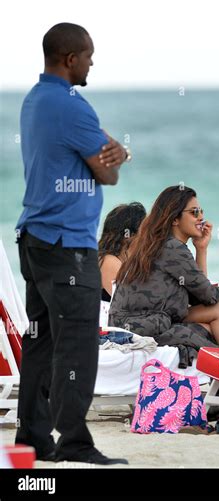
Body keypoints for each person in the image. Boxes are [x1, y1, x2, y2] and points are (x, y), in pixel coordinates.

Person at [15, 23, 130, 465]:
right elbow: (108, 172)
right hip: (67, 243)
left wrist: (107, 155)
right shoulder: (73, 107)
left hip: (35, 240)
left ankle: (33, 438)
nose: (91, 62)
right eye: (88, 55)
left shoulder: (33, 100)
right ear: (70, 59)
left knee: (41, 339)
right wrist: (113, 156)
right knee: (77, 342)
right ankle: (75, 442)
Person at [108, 186, 219, 368]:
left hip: (143, 321)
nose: (201, 217)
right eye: (194, 212)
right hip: (143, 326)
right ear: (175, 219)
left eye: (201, 211)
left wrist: (201, 249)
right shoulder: (172, 248)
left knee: (217, 315)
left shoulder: (157, 244)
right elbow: (209, 295)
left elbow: (200, 295)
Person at [98, 202, 146, 301]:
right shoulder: (109, 261)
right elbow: (130, 301)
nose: (148, 237)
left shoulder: (126, 261)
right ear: (128, 235)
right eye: (144, 231)